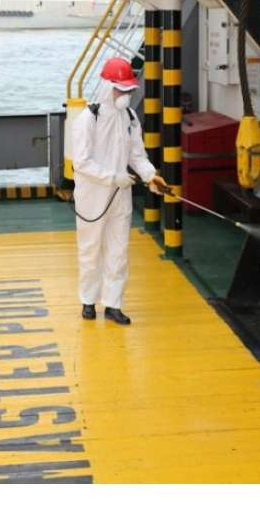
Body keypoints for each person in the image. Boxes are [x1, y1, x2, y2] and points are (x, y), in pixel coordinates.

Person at [72, 57, 168, 325]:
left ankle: (113, 304)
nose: (124, 95)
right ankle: (88, 300)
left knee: (118, 250)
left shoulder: (130, 118)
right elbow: (81, 162)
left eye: (127, 90)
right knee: (91, 249)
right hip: (93, 196)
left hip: (120, 195)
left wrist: (151, 176)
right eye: (119, 89)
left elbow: (137, 155)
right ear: (107, 86)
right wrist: (113, 177)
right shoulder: (88, 119)